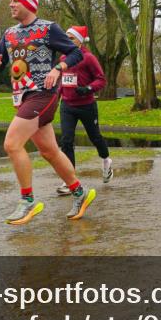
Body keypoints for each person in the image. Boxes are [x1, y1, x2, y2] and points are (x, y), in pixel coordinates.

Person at [0, 0, 96, 223]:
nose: (11, 6)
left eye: (15, 2)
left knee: (12, 144)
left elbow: (75, 53)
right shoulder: (8, 33)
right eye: (10, 3)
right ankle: (80, 193)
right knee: (49, 151)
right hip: (22, 97)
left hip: (42, 95)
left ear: (29, 3)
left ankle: (27, 201)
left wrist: (58, 69)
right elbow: (1, 59)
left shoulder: (48, 28)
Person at [56, 25, 112, 195]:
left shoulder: (89, 58)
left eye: (71, 38)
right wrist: (54, 100)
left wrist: (88, 89)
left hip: (86, 105)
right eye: (66, 37)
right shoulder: (63, 58)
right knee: (66, 141)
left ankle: (106, 161)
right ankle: (69, 180)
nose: (67, 40)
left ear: (80, 41)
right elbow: (61, 81)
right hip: (67, 106)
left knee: (95, 137)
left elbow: (101, 80)